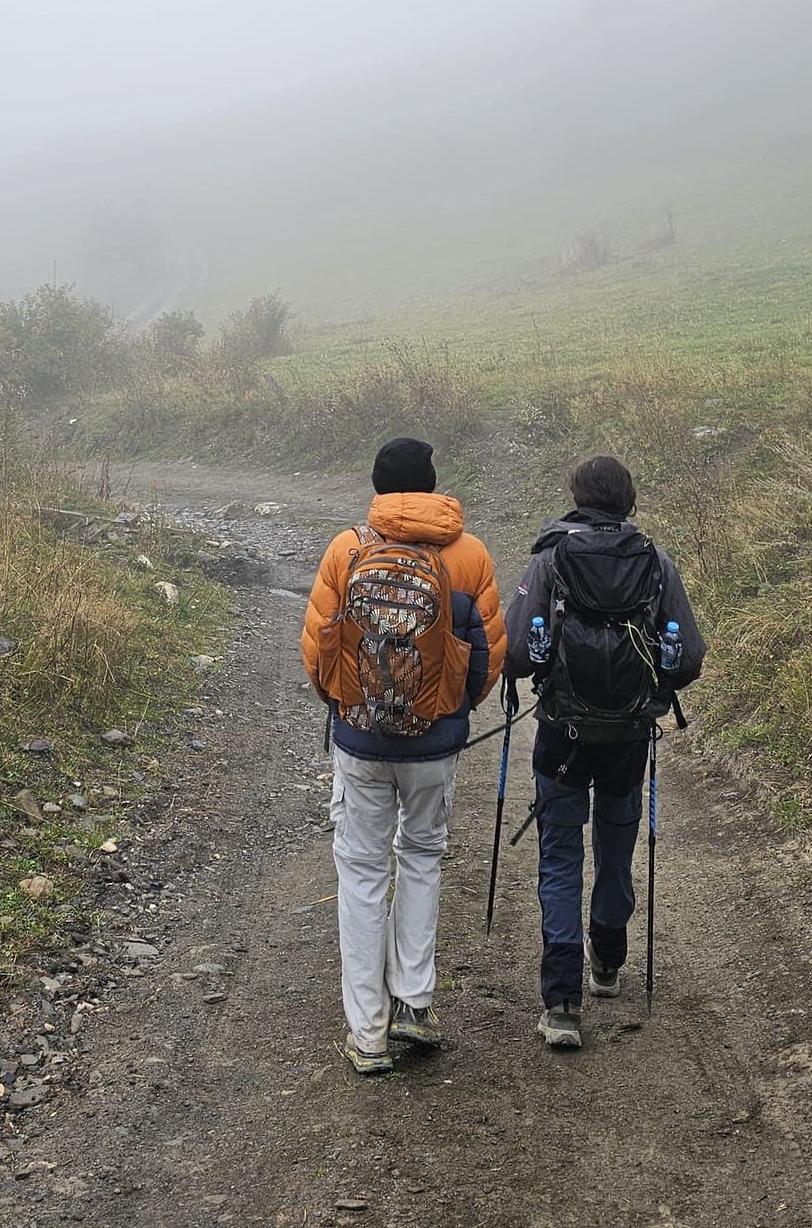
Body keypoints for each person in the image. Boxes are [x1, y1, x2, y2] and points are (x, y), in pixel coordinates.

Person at [301, 435, 506, 1074]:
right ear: (433, 485)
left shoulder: (346, 549)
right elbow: (489, 652)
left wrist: (344, 708)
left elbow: (318, 648)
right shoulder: (468, 555)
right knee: (421, 858)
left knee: (361, 874)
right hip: (434, 743)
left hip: (361, 742)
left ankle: (367, 1035)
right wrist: (453, 710)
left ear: (378, 486)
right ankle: (414, 1003)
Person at [503, 453, 703, 1050]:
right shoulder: (656, 563)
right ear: (629, 500)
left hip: (561, 735)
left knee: (560, 856)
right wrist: (656, 688)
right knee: (616, 847)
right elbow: (688, 656)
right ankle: (608, 961)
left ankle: (561, 1001)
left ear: (576, 496)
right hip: (628, 738)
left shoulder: (549, 560)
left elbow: (516, 649)